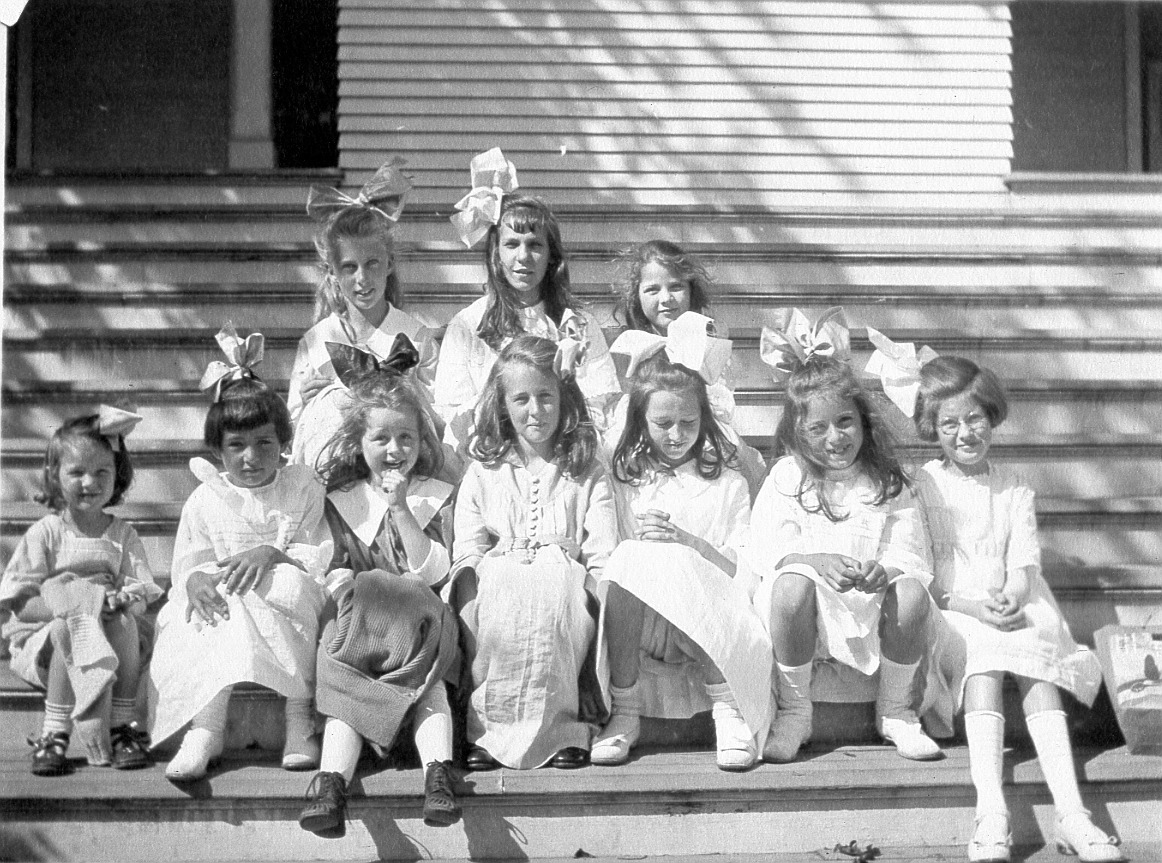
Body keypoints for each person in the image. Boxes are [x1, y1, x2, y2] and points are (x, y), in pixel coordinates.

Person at [895, 349, 1120, 863]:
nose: (965, 433)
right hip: (955, 605)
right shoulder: (924, 484)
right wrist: (975, 608)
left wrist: (1014, 594)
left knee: (1036, 664)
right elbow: (924, 571)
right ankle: (991, 812)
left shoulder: (1014, 484)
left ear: (991, 416)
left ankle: (1072, 813)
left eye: (974, 418)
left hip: (1013, 598)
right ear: (933, 428)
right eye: (949, 424)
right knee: (985, 663)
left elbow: (1024, 560)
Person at [748, 308, 958, 764]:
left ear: (863, 422)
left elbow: (911, 551)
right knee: (790, 585)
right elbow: (768, 552)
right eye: (817, 427)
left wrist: (887, 571)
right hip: (808, 608)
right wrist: (813, 561)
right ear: (798, 432)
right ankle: (795, 711)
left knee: (912, 592)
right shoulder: (787, 476)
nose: (835, 437)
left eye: (845, 421)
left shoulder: (887, 480)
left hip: (870, 603)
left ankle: (896, 711)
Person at [149, 326, 331, 782]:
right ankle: (207, 727)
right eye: (237, 445)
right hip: (229, 591)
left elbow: (317, 551)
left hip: (287, 584)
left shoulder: (301, 486)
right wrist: (195, 579)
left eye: (264, 443)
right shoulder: (207, 497)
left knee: (288, 585)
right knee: (209, 601)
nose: (251, 457)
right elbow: (190, 560)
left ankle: (299, 719)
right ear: (218, 449)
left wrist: (272, 552)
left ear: (283, 444)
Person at [298, 342, 461, 836]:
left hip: (420, 623)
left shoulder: (434, 496)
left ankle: (438, 776)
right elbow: (332, 567)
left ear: (421, 440)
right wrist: (350, 587)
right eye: (381, 438)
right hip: (360, 627)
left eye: (406, 438)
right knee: (347, 691)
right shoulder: (342, 500)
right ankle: (331, 787)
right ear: (359, 442)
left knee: (429, 688)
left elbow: (434, 569)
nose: (395, 450)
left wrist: (401, 509)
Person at [592, 326, 772, 771]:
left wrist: (689, 544)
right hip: (644, 623)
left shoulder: (728, 483)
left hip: (709, 620)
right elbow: (608, 560)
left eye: (689, 423)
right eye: (663, 424)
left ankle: (729, 710)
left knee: (679, 556)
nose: (676, 435)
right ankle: (625, 711)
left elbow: (745, 571)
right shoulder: (624, 480)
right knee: (632, 557)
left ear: (705, 421)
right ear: (640, 422)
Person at [448, 334, 618, 770]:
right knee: (502, 592)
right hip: (499, 578)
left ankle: (564, 731)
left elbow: (602, 556)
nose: (535, 410)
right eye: (521, 399)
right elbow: (467, 552)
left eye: (546, 396)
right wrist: (468, 615)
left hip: (566, 582)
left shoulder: (587, 470)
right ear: (503, 405)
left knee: (556, 591)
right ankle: (486, 733)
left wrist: (595, 655)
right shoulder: (483, 471)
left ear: (564, 399)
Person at [1, 408, 161, 774]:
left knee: (126, 623)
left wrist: (122, 600)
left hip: (112, 639)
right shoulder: (47, 532)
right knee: (67, 627)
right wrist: (74, 607)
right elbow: (20, 603)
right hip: (51, 642)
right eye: (76, 472)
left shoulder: (123, 535)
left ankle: (121, 726)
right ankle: (54, 731)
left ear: (118, 476)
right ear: (54, 475)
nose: (89, 482)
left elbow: (142, 595)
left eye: (102, 472)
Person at [434, 148, 620, 452]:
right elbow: (451, 416)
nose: (523, 257)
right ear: (496, 254)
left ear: (551, 256)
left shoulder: (577, 323)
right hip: (491, 456)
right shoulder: (468, 325)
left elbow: (604, 407)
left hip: (564, 453)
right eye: (512, 244)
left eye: (534, 245)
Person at [288, 157, 439, 455]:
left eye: (372, 264)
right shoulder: (316, 341)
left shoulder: (415, 338)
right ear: (332, 272)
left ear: (389, 263)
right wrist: (305, 403)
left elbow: (440, 426)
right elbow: (293, 432)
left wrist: (412, 395)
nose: (362, 279)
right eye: (349, 267)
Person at [609, 240, 766, 496]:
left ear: (691, 290)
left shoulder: (706, 339)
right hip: (644, 431)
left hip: (698, 429)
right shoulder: (631, 345)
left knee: (734, 461)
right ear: (636, 296)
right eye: (652, 290)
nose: (666, 298)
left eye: (676, 287)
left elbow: (719, 401)